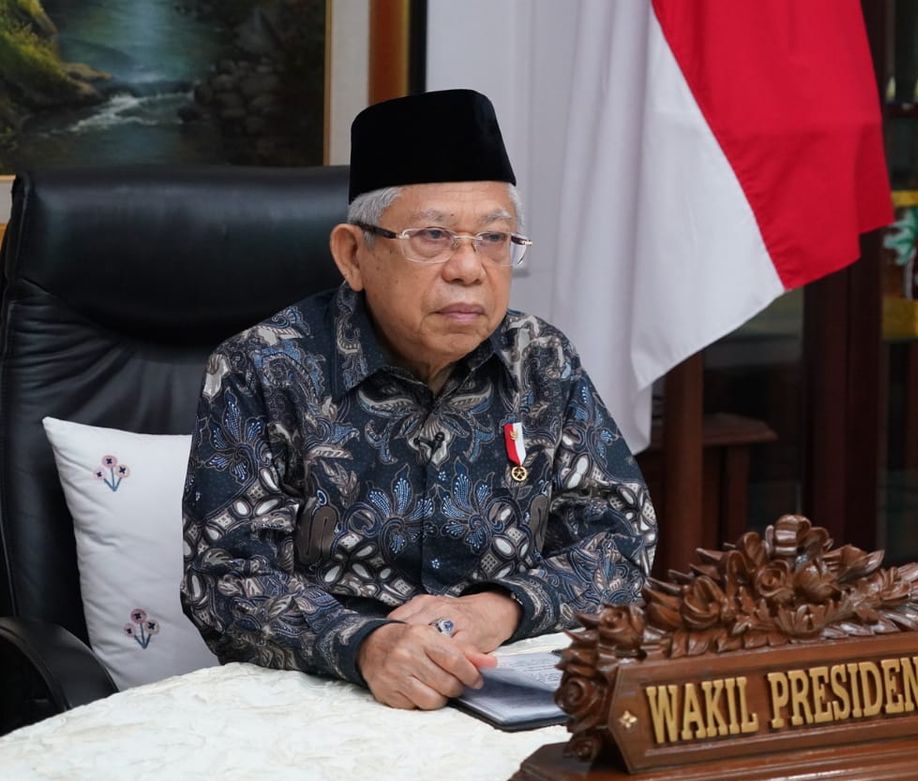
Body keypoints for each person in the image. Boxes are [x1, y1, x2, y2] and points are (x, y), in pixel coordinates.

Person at [181, 89, 657, 711]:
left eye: (494, 238)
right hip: (327, 694)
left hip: (504, 682)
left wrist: (499, 608)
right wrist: (365, 644)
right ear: (354, 255)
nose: (468, 268)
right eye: (433, 236)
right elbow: (225, 579)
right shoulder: (265, 366)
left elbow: (623, 540)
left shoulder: (538, 358)